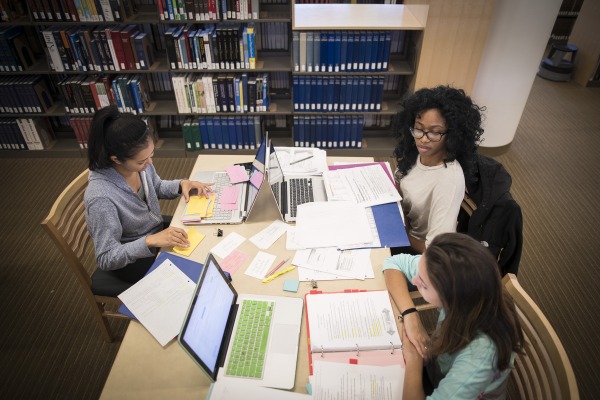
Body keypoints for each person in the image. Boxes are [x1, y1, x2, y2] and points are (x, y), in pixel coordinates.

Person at [383, 233, 523, 399]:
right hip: (438, 365)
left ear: (449, 297)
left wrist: (414, 360)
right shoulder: (467, 288)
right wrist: (410, 314)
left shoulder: (479, 357)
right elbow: (393, 264)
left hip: (447, 380)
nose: (414, 280)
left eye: (423, 284)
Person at [84, 105, 213, 285]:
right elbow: (106, 257)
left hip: (154, 232)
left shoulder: (138, 165)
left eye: (151, 155)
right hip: (133, 259)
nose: (149, 163)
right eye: (142, 161)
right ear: (116, 159)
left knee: (209, 240)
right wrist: (150, 241)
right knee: (197, 277)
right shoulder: (101, 198)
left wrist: (181, 184)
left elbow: (157, 186)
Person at [392, 86, 484, 254]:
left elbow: (435, 251)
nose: (423, 139)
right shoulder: (416, 152)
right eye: (419, 128)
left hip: (413, 250)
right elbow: (401, 183)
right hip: (397, 224)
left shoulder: (449, 180)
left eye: (434, 133)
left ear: (452, 135)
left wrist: (401, 232)